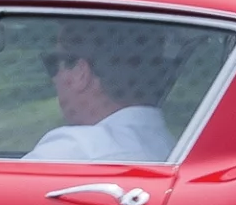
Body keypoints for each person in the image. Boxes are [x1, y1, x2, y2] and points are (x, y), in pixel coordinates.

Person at [26, 24, 180, 162]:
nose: (55, 79)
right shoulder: (170, 145)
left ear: (81, 72)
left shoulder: (75, 150)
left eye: (53, 63)